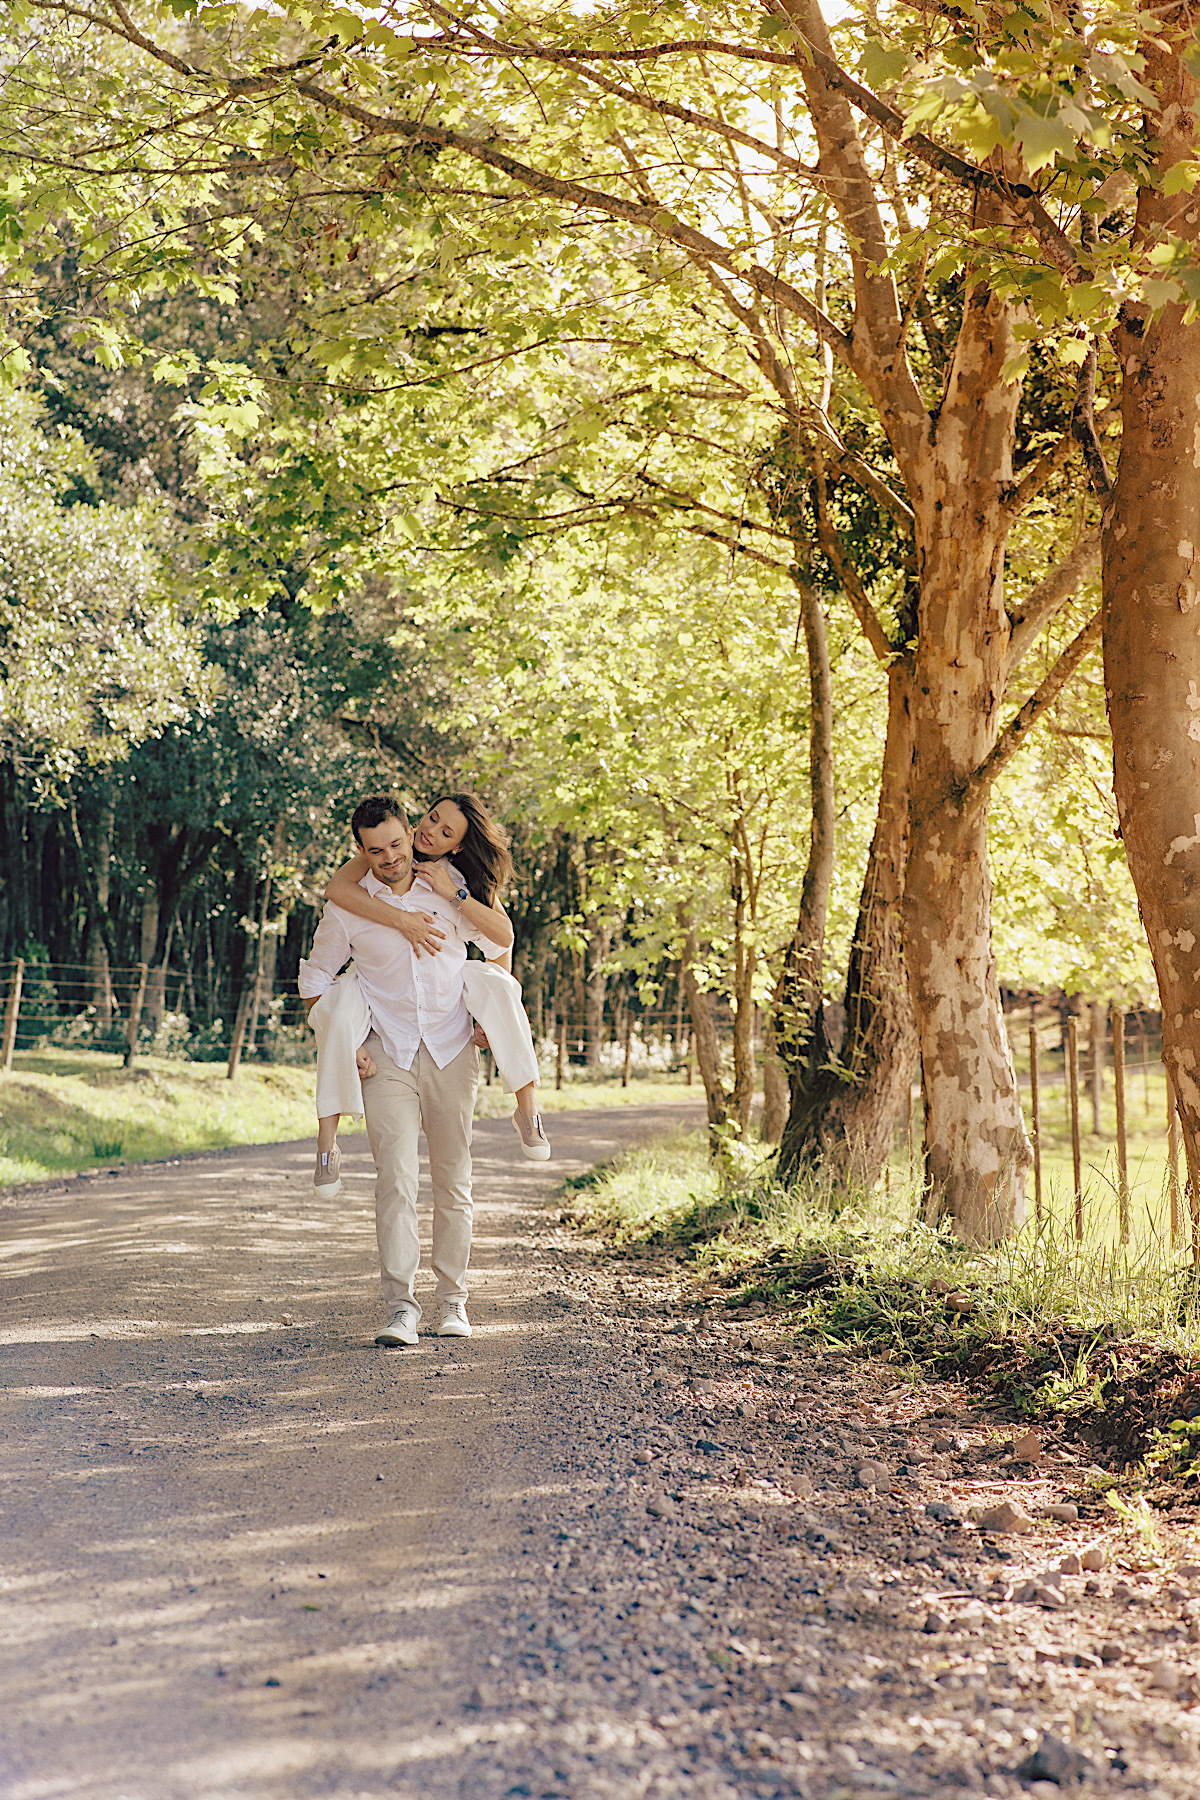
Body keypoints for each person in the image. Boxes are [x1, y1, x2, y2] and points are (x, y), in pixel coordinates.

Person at [297, 795, 511, 1345]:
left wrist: (491, 1008)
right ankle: (401, 1308)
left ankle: (453, 1303)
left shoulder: (445, 884)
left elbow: (500, 943)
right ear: (361, 851)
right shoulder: (348, 906)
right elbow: (315, 981)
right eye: (377, 850)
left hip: (450, 1047)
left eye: (396, 843)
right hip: (385, 1053)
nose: (391, 856)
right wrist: (343, 1040)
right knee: (394, 1181)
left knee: (452, 1179)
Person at [319, 793, 552, 1171]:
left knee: (501, 987)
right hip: (390, 1032)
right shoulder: (388, 846)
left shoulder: (457, 878)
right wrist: (401, 920)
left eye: (446, 832)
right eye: (431, 818)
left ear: (457, 846)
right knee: (343, 1002)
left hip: (453, 1022)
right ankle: (326, 1145)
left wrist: (487, 1018)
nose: (430, 832)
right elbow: (337, 890)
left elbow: (501, 938)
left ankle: (528, 1109)